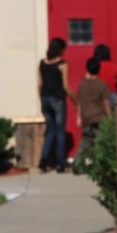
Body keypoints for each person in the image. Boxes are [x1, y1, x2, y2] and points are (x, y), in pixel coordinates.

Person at [37, 37, 73, 172]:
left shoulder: (42, 64)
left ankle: (43, 160)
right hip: (57, 100)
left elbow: (40, 85)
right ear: (60, 50)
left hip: (45, 98)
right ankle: (59, 162)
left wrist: (41, 100)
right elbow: (66, 86)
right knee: (60, 132)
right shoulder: (62, 64)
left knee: (50, 130)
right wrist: (75, 100)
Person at [74, 58, 112, 172]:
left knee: (85, 142)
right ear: (99, 70)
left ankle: (77, 163)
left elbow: (79, 102)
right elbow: (106, 103)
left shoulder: (82, 84)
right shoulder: (102, 85)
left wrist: (79, 117)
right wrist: (109, 118)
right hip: (99, 118)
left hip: (87, 118)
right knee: (101, 143)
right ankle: (100, 166)